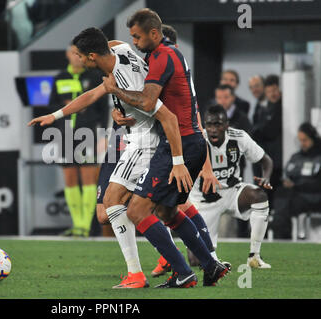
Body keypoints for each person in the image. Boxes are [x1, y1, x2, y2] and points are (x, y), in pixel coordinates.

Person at [29, 28, 199, 288]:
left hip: (144, 142)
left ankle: (144, 272)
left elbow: (166, 116)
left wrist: (177, 161)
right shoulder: (118, 48)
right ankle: (184, 266)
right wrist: (55, 116)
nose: (78, 59)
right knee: (133, 207)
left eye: (80, 55)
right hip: (134, 138)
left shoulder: (124, 79)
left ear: (93, 56)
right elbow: (93, 94)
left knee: (119, 203)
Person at [102, 8, 228, 288]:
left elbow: (148, 102)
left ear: (154, 34)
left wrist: (115, 92)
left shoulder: (161, 57)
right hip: (192, 142)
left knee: (136, 211)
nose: (133, 42)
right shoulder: (171, 54)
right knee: (169, 212)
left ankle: (183, 273)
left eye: (137, 37)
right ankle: (211, 265)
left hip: (177, 144)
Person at [187, 105, 273, 268]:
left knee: (259, 196)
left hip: (231, 192)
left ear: (227, 125)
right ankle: (213, 260)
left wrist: (266, 178)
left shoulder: (239, 137)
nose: (213, 129)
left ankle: (254, 257)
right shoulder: (197, 140)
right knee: (195, 260)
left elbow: (266, 160)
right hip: (204, 199)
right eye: (209, 125)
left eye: (218, 124)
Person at [46, 44, 108, 237]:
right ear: (67, 55)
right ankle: (77, 224)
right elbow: (51, 106)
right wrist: (65, 106)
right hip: (63, 133)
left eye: (79, 54)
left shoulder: (94, 77)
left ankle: (85, 226)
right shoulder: (59, 78)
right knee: (70, 178)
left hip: (86, 133)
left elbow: (103, 109)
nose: (76, 57)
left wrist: (104, 135)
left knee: (89, 178)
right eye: (73, 53)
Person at [271, 122, 321, 239]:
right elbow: (286, 175)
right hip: (294, 194)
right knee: (280, 192)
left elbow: (318, 184)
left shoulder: (318, 157)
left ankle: (279, 230)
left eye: (305, 140)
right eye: (300, 140)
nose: (302, 143)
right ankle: (279, 227)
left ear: (313, 138)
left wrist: (296, 185)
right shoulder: (296, 157)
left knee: (285, 202)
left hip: (312, 196)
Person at [251, 74, 283, 204]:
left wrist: (257, 130)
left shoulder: (283, 108)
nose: (272, 94)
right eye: (269, 91)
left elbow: (269, 130)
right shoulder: (263, 108)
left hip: (276, 161)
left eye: (275, 90)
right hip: (263, 159)